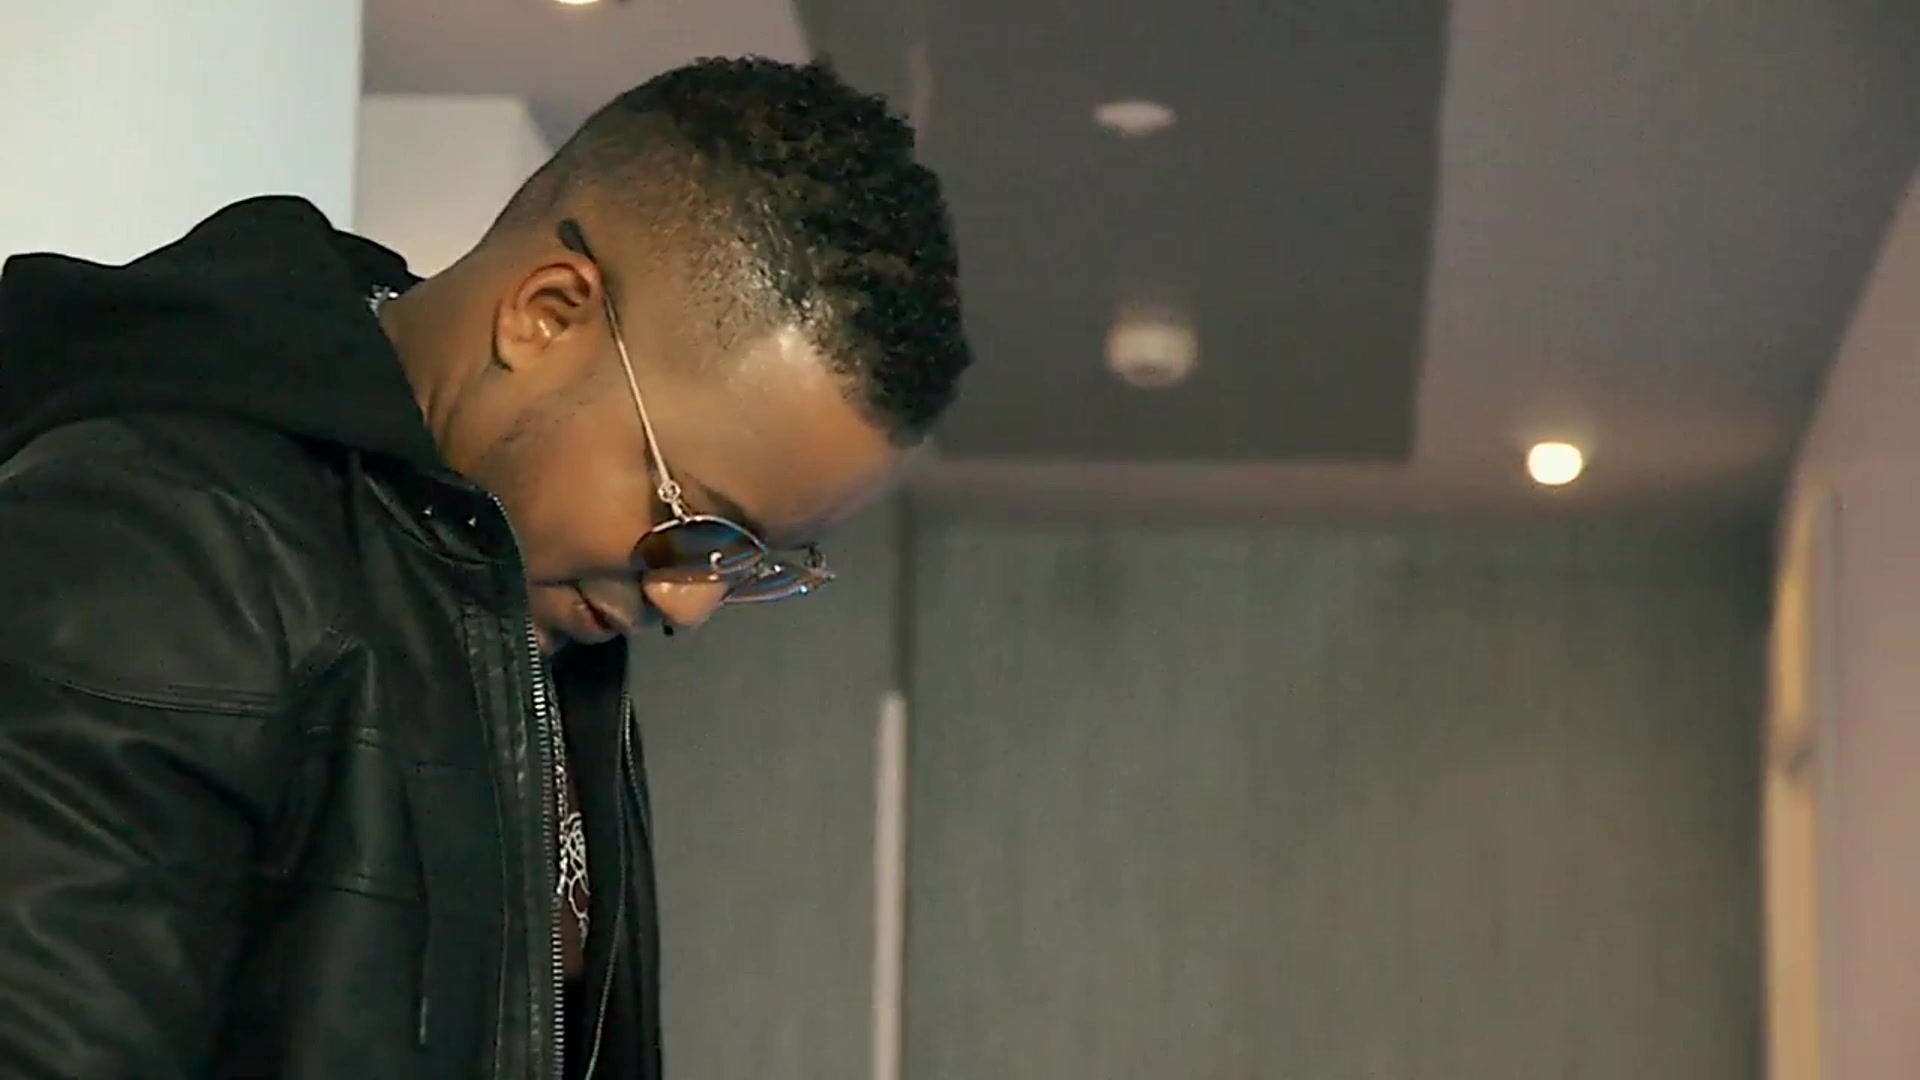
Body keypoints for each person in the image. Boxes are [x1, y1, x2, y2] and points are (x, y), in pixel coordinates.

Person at [0, 56, 968, 1079]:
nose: (688, 602)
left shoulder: (523, 618)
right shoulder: (157, 547)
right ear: (545, 313)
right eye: (688, 519)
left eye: (745, 561)